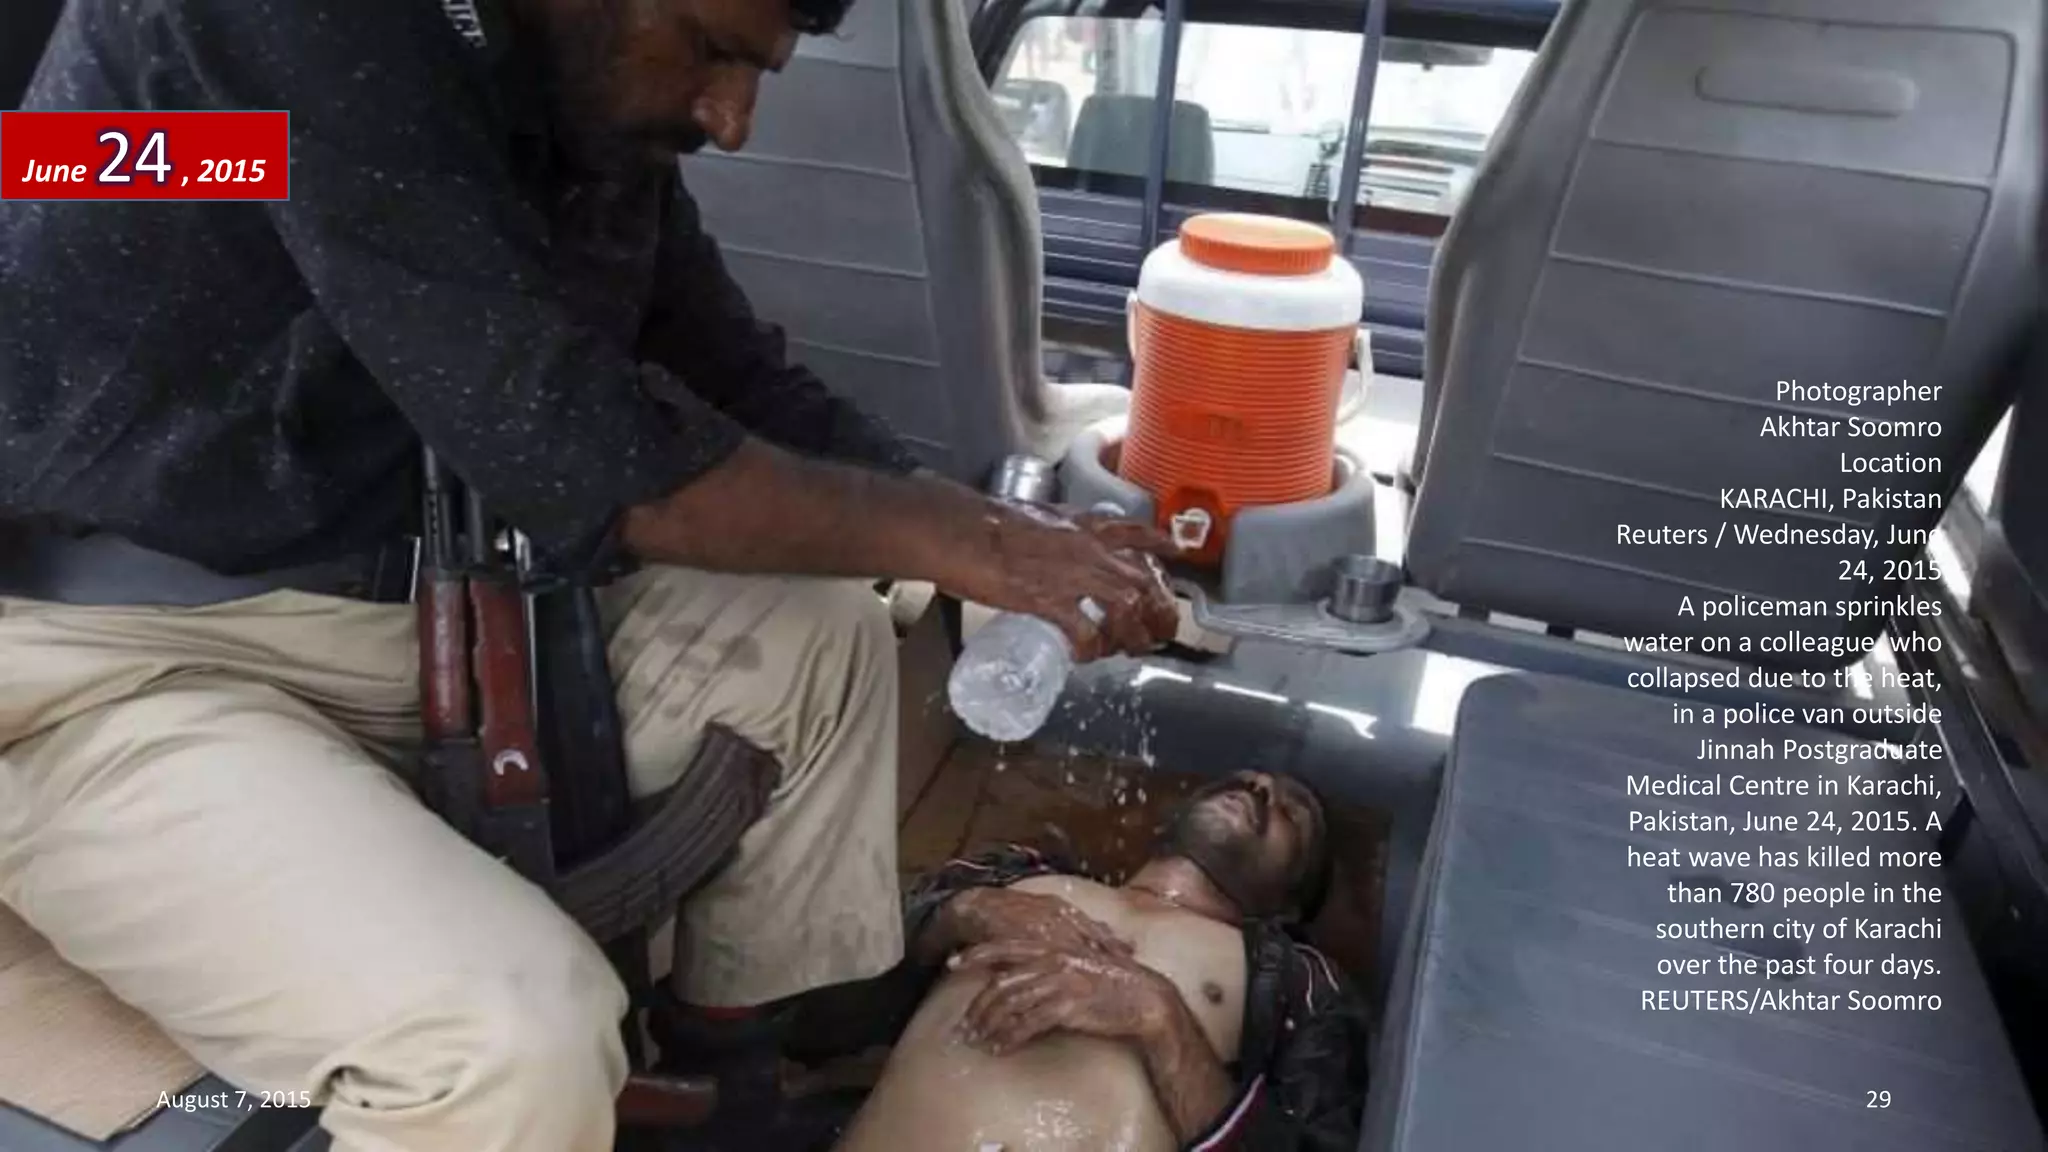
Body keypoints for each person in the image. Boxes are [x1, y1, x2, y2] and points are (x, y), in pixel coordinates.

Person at [0, 0, 1179, 1148]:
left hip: (413, 614)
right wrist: (970, 546)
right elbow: (585, 452)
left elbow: (736, 382)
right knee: (508, 1048)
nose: (732, 120)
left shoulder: (566, 115)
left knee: (815, 633)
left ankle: (736, 1076)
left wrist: (996, 539)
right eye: (715, 53)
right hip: (118, 670)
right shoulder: (298, 27)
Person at [834, 771, 1372, 1151]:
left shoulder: (1301, 983)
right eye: (1243, 780)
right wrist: (956, 914)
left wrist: (1159, 1017)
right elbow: (813, 1021)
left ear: (1290, 904)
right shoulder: (1010, 875)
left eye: (1290, 813)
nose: (1258, 788)